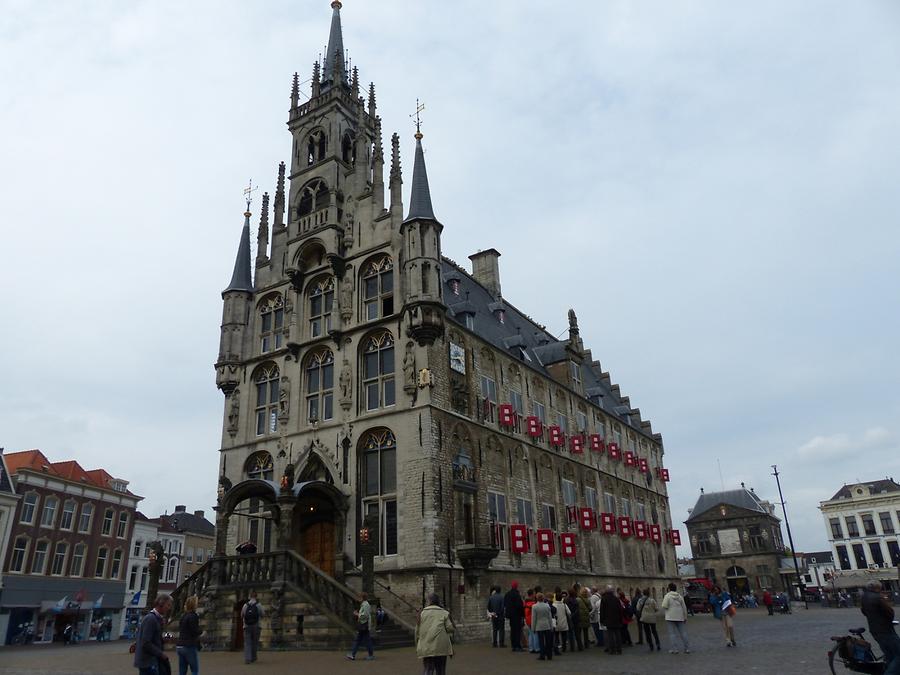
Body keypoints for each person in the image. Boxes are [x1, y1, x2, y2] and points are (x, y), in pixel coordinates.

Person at [862, 581, 900, 675]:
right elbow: (890, 612)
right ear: (876, 588)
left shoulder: (864, 597)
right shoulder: (878, 597)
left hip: (875, 630)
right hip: (885, 630)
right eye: (880, 588)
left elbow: (864, 611)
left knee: (890, 654)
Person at [416, 593, 455, 675]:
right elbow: (450, 628)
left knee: (428, 668)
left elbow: (417, 632)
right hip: (441, 647)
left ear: (429, 601)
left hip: (426, 647)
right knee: (440, 670)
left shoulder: (421, 613)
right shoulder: (444, 612)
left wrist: (418, 645)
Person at [134, 594, 173, 675]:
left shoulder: (157, 618)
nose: (169, 608)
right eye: (168, 605)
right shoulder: (151, 619)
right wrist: (161, 654)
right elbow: (146, 642)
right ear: (161, 604)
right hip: (148, 661)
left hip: (152, 660)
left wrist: (163, 640)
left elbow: (151, 638)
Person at [661, 582, 690, 654]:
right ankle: (687, 648)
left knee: (672, 634)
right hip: (680, 616)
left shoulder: (667, 596)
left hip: (670, 617)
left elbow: (664, 606)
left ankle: (675, 649)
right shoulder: (680, 596)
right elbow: (684, 607)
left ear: (669, 589)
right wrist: (685, 616)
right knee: (683, 633)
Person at [176, 595, 202, 675]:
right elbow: (194, 630)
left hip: (180, 645)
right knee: (194, 670)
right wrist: (201, 632)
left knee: (182, 671)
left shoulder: (183, 616)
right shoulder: (193, 616)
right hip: (189, 645)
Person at [346, 591, 375, 660]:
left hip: (364, 625)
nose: (358, 598)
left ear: (362, 598)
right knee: (360, 640)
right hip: (363, 625)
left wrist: (357, 614)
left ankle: (369, 655)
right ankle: (353, 654)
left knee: (363, 640)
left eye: (359, 597)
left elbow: (365, 615)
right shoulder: (364, 604)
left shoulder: (365, 605)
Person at [241, 592, 264, 664]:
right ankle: (253, 658)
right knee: (255, 642)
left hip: (247, 626)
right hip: (256, 626)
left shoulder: (245, 605)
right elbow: (263, 614)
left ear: (249, 597)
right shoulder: (259, 605)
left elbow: (242, 615)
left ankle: (248, 659)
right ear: (256, 597)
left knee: (247, 642)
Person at [599, 585, 623, 655]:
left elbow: (602, 611)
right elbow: (620, 610)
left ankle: (612, 650)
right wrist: (620, 619)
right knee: (617, 635)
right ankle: (619, 649)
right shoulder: (616, 599)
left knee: (610, 635)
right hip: (617, 619)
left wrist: (602, 620)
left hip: (608, 620)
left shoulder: (604, 599)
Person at [531, 592, 553, 661]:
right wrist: (551, 626)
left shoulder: (534, 606)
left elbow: (534, 618)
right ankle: (549, 655)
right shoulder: (547, 606)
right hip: (547, 625)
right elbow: (550, 617)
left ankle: (542, 655)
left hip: (539, 626)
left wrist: (533, 628)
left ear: (537, 598)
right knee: (548, 641)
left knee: (541, 641)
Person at [504, 581, 525, 652]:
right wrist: (522, 614)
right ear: (516, 586)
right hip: (517, 615)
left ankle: (513, 645)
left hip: (510, 616)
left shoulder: (507, 594)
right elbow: (519, 606)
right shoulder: (517, 594)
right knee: (517, 631)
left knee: (512, 630)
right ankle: (517, 646)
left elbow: (505, 604)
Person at [564, 586, 582, 651]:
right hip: (576, 618)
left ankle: (572, 647)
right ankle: (580, 647)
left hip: (569, 618)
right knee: (577, 633)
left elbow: (565, 609)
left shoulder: (566, 600)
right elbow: (577, 610)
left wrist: (570, 616)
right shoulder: (576, 600)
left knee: (570, 633)